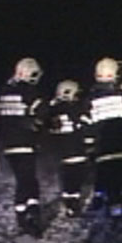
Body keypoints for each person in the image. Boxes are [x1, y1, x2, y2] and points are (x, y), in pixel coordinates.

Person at [84, 57, 122, 216]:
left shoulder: (90, 101)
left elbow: (87, 129)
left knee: (112, 186)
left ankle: (116, 214)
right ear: (116, 75)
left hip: (104, 153)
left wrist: (90, 149)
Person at [0, 57, 48, 235]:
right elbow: (42, 114)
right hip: (26, 143)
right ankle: (32, 214)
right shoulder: (29, 92)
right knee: (29, 180)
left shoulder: (4, 92)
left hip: (9, 146)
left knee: (22, 179)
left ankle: (22, 214)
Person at [47, 79, 91, 217]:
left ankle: (69, 203)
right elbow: (86, 124)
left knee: (67, 179)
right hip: (76, 148)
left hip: (60, 151)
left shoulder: (51, 110)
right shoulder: (75, 109)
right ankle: (73, 204)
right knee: (75, 178)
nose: (77, 98)